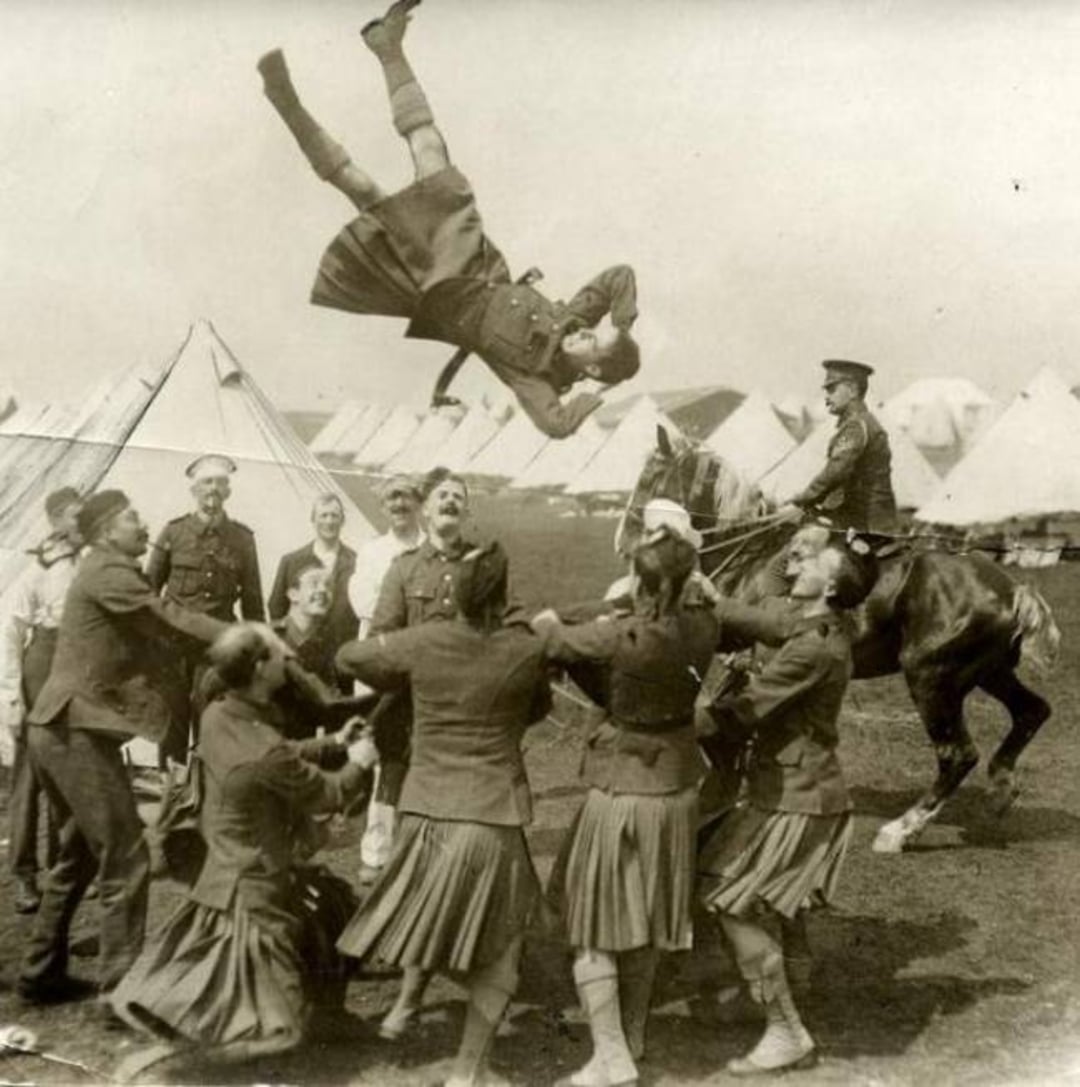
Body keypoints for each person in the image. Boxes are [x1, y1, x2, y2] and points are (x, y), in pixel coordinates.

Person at [257, 1, 641, 439]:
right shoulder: (575, 319)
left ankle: (284, 102)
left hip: (442, 289)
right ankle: (387, 47)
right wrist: (624, 327)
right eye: (592, 332)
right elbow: (619, 276)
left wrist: (598, 394)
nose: (583, 333)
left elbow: (555, 424)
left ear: (591, 366)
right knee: (430, 148)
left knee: (361, 190)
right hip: (471, 255)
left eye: (592, 342)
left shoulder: (533, 378)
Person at [110, 624, 378, 1067]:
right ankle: (185, 1065)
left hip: (231, 867)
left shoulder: (220, 713)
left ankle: (325, 1016)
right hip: (255, 885)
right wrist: (359, 761)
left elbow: (280, 751)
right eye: (279, 656)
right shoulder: (264, 750)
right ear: (259, 668)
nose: (287, 661)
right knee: (281, 1033)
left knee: (333, 910)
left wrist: (333, 741)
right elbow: (327, 793)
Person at [335, 543, 551, 1087]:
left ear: (453, 593)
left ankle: (408, 1011)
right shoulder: (522, 649)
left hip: (426, 806)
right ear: (503, 597)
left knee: (428, 922)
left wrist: (407, 672)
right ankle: (467, 1071)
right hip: (491, 811)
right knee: (500, 950)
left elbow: (347, 657)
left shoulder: (425, 640)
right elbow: (541, 705)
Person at [17, 491, 226, 1004]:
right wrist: (246, 634)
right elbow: (170, 619)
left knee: (79, 855)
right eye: (133, 517)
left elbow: (163, 629)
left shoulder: (104, 569)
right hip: (74, 730)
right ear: (108, 529)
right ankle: (124, 992)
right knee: (128, 854)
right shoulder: (109, 570)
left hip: (63, 727)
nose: (144, 522)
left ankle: (40, 973)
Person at [532, 528, 719, 1087]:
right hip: (677, 785)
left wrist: (552, 615)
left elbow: (548, 637)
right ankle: (632, 1034)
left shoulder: (619, 637)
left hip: (622, 790)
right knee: (649, 921)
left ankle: (610, 1056)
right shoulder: (703, 623)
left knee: (591, 926)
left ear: (639, 581)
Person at [695, 540, 876, 1075]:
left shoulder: (813, 646)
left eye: (812, 560)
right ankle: (796, 982)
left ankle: (786, 1030)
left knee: (723, 899)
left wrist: (658, 718)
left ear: (833, 586)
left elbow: (741, 714)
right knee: (775, 901)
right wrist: (798, 539)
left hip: (799, 795)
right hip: (799, 786)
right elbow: (769, 601)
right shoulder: (811, 624)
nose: (798, 563)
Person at [359, 469, 476, 886]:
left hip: (464, 709)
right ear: (425, 509)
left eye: (457, 497)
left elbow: (502, 634)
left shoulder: (483, 566)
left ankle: (447, 878)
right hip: (410, 706)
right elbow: (380, 638)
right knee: (394, 785)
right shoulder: (403, 569)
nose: (449, 501)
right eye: (441, 495)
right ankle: (385, 869)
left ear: (467, 510)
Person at [146, 454, 264, 763]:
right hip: (172, 650)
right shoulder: (173, 533)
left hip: (217, 650)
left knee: (211, 726)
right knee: (171, 728)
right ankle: (172, 800)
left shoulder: (242, 539)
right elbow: (147, 594)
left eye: (221, 482)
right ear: (194, 489)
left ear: (228, 491)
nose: (214, 488)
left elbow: (253, 602)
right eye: (207, 482)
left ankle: (201, 804)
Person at [0, 487, 82, 915]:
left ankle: (62, 868)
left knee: (68, 771)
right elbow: (11, 633)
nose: (79, 524)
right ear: (54, 521)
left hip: (76, 669)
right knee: (30, 778)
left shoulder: (90, 561)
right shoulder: (36, 567)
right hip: (41, 666)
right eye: (72, 517)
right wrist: (13, 697)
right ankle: (24, 874)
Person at [347, 473, 425, 877]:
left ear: (418, 504)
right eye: (392, 500)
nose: (399, 506)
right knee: (382, 751)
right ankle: (376, 850)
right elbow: (365, 603)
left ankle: (420, 851)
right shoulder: (372, 552)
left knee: (427, 751)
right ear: (383, 507)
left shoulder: (432, 549)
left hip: (425, 660)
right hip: (382, 659)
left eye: (407, 498)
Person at [783, 360, 897, 534]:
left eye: (832, 390)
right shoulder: (858, 423)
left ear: (852, 390)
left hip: (867, 525)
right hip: (857, 518)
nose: (827, 398)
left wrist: (802, 500)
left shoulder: (857, 426)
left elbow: (836, 470)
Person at [267, 493, 358, 655]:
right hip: (300, 652)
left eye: (334, 516)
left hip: (341, 652)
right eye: (323, 515)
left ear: (342, 521)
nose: (329, 521)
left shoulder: (357, 563)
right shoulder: (292, 561)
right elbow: (276, 607)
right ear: (313, 520)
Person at [272, 558, 344, 691]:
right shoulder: (270, 638)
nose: (323, 590)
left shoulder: (329, 644)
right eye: (314, 583)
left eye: (328, 585)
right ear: (293, 595)